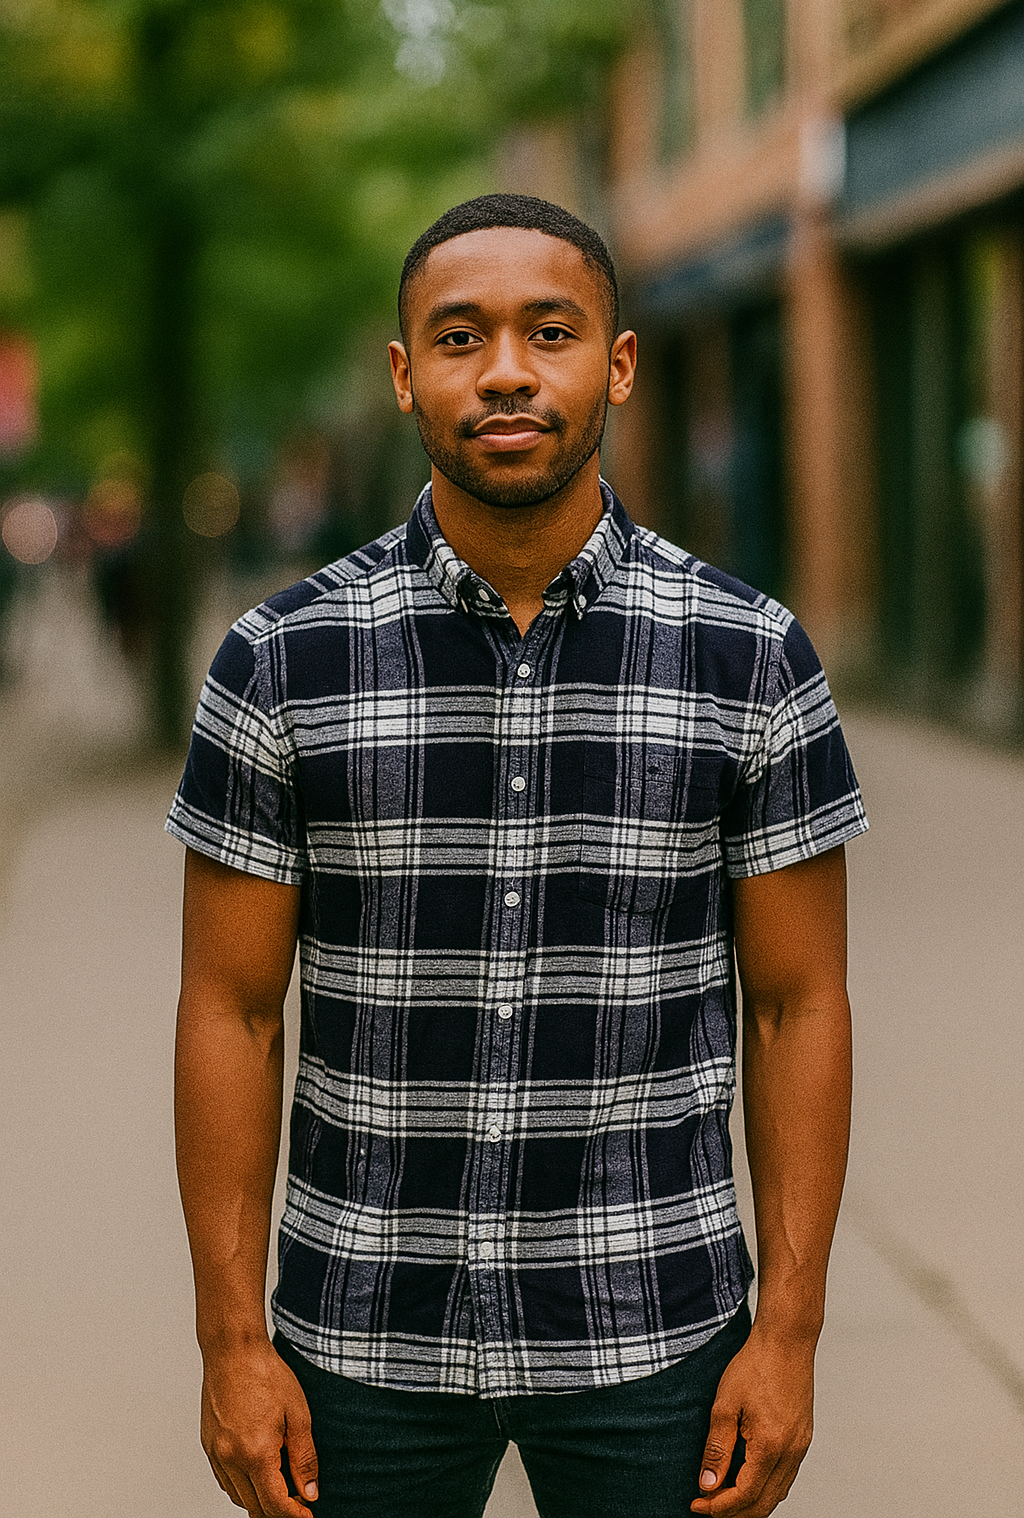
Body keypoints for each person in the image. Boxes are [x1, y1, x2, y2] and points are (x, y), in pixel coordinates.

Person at [169, 192, 867, 1518]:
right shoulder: (281, 661)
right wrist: (230, 1342)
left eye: (549, 331)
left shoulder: (750, 655)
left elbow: (798, 1003)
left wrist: (789, 1335)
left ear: (616, 363)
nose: (504, 370)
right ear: (404, 374)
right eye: (458, 336)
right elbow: (232, 1008)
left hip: (654, 1325)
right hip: (358, 1336)